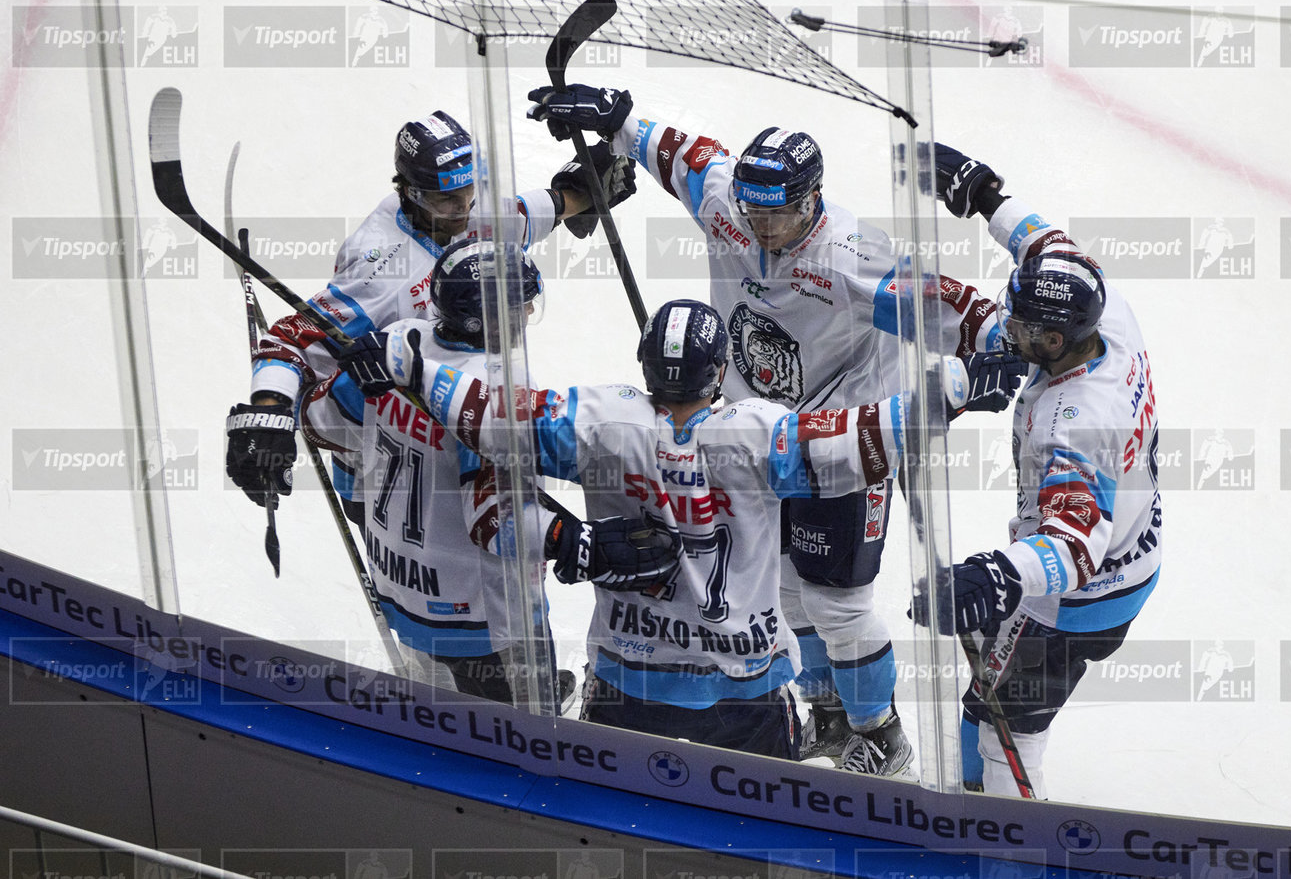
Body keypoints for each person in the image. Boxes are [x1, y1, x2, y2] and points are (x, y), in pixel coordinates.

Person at [338, 295, 1024, 763]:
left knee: (610, 827)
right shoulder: (760, 435)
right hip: (743, 693)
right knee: (761, 840)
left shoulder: (601, 420)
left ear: (645, 367)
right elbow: (864, 436)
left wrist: (408, 366)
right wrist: (958, 386)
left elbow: (491, 414)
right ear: (719, 370)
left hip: (624, 684)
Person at [525, 84, 919, 775]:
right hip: (751, 442)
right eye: (753, 212)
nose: (763, 228)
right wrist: (617, 119)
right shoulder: (727, 203)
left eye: (782, 214)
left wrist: (985, 349)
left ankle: (882, 734)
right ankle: (827, 711)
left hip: (838, 445)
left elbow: (940, 309)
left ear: (813, 200)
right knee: (783, 586)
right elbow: (681, 153)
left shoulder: (859, 255)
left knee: (837, 600)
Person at [301, 240, 674, 700]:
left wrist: (346, 375)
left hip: (400, 584)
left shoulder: (397, 341)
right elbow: (494, 521)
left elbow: (322, 428)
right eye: (522, 303)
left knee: (433, 706)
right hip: (479, 617)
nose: (530, 309)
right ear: (488, 318)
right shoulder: (498, 386)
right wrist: (576, 542)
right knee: (519, 737)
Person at [225, 108, 635, 525]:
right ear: (410, 191)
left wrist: (583, 193)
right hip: (381, 449)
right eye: (447, 200)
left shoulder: (464, 205)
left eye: (468, 192)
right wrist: (269, 414)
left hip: (457, 422)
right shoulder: (379, 267)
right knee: (405, 539)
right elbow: (287, 342)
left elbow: (520, 218)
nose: (464, 209)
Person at [914, 142, 1163, 797]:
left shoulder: (1074, 425)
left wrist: (1000, 575)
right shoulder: (1105, 310)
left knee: (1009, 734)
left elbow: (1077, 547)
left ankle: (1006, 850)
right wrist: (986, 196)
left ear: (1055, 341)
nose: (1008, 332)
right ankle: (967, 804)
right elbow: (1047, 245)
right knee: (990, 696)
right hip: (1132, 559)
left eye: (1021, 329)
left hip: (1076, 597)